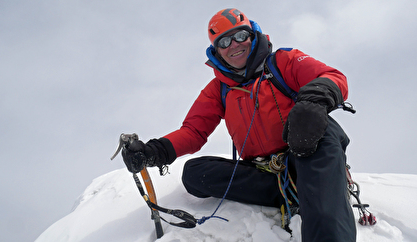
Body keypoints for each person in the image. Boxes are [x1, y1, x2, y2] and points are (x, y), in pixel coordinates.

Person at [121, 8, 356, 242]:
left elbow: (332, 77)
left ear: (253, 35)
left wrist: (313, 101)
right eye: (224, 41)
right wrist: (154, 151)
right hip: (268, 172)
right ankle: (298, 191)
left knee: (321, 129)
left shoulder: (284, 61)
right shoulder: (218, 89)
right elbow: (194, 130)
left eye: (240, 35)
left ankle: (322, 199)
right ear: (217, 51)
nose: (234, 44)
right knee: (195, 173)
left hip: (308, 151)